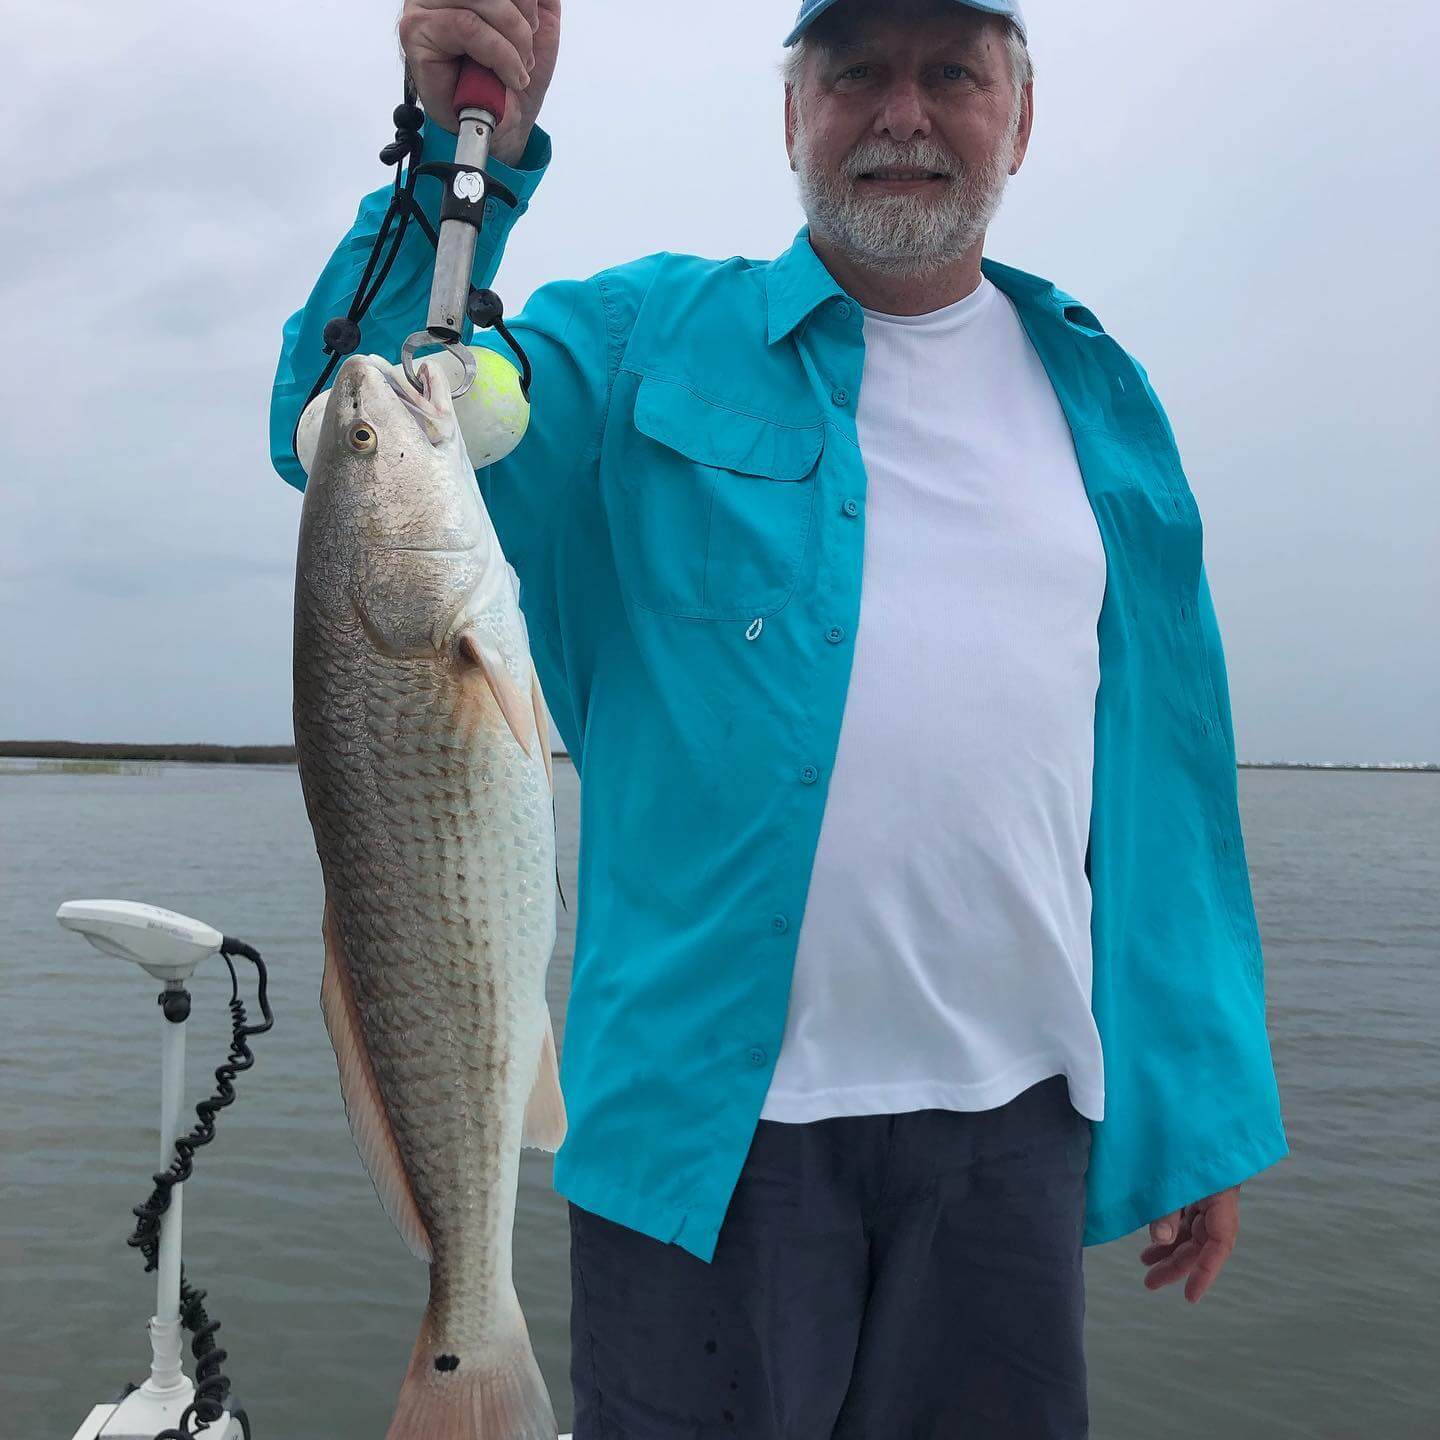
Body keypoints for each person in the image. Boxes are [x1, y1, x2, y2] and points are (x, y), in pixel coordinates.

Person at [269, 1, 1288, 1434]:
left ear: (1023, 113)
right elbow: (341, 427)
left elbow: (1161, 784)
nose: (903, 114)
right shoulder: (629, 343)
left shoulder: (1101, 399)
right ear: (791, 112)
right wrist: (453, 155)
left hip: (1017, 1135)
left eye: (951, 74)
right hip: (705, 1144)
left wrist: (1194, 1101)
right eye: (856, 73)